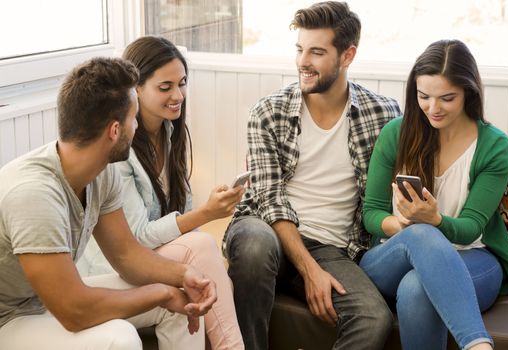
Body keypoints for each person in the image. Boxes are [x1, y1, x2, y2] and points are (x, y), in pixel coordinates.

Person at [0, 57, 217, 350]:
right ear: (115, 130)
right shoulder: (34, 194)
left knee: (180, 300)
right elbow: (74, 311)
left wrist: (183, 275)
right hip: (8, 319)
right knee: (119, 338)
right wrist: (160, 294)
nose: (137, 125)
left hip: (44, 302)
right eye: (134, 118)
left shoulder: (101, 173)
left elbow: (127, 256)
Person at [222, 2, 401, 349]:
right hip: (265, 230)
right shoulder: (268, 112)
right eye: (300, 49)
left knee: (373, 317)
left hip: (333, 247)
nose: (303, 61)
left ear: (347, 56)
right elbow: (270, 201)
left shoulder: (384, 114)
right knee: (256, 246)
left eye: (317, 52)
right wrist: (310, 272)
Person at [77, 36, 245, 350]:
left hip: (149, 261)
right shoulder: (118, 150)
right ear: (135, 89)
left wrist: (207, 209)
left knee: (208, 277)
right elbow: (135, 240)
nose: (178, 95)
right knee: (201, 248)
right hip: (109, 271)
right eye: (165, 87)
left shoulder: (169, 133)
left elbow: (179, 222)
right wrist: (206, 214)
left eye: (182, 84)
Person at [360, 39, 508, 350]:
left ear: (468, 93)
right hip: (393, 255)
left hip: (472, 257)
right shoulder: (396, 133)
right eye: (424, 96)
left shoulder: (493, 145)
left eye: (447, 98)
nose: (433, 108)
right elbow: (372, 213)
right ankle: (478, 345)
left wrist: (435, 220)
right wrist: (407, 226)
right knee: (421, 234)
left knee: (417, 288)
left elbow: (472, 226)